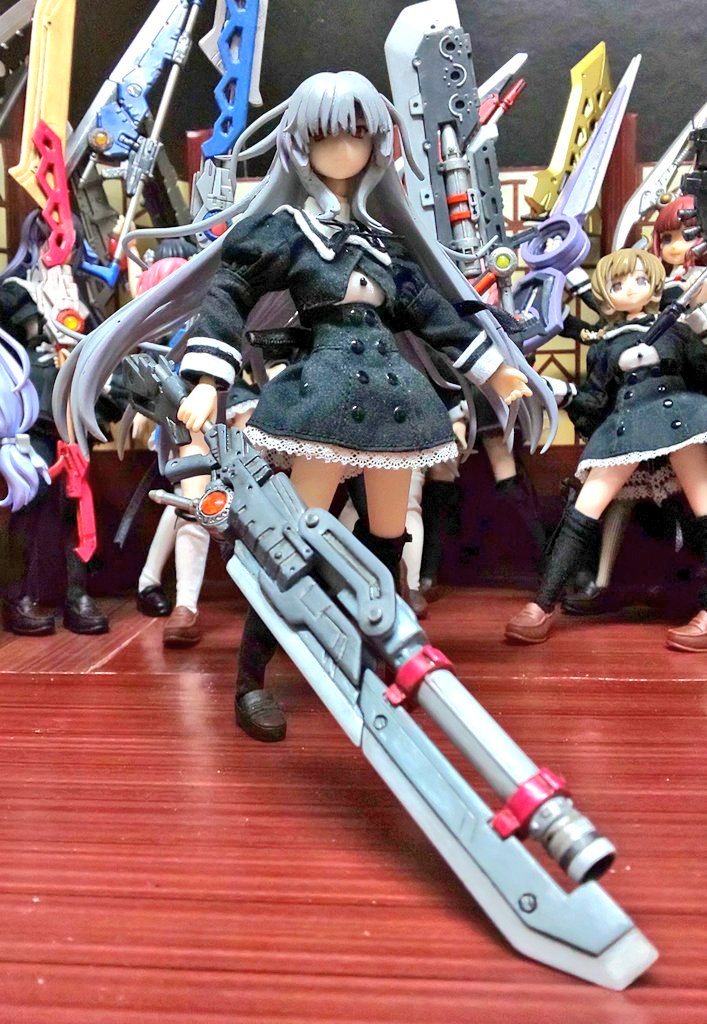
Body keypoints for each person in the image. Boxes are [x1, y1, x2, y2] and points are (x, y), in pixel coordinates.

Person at [57, 70, 556, 736]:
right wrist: (207, 381)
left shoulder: (385, 243)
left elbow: (432, 312)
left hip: (395, 409)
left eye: (357, 135)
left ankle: (377, 655)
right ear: (301, 145)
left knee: (387, 539)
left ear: (376, 145)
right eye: (326, 136)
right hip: (320, 401)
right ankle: (250, 680)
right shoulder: (284, 232)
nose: (344, 150)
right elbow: (229, 295)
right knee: (290, 542)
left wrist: (496, 372)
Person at [505, 248, 707, 650]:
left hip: (681, 419)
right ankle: (541, 605)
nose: (628, 289)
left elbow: (701, 370)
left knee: (704, 507)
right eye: (617, 283)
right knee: (584, 509)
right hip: (627, 426)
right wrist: (562, 392)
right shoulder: (603, 346)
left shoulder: (678, 331)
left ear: (655, 287)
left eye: (639, 280)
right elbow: (596, 400)